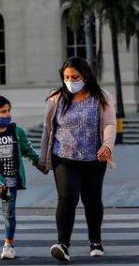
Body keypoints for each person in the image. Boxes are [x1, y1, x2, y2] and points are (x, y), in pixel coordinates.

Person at [39, 57, 116, 262]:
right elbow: (48, 129)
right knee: (67, 198)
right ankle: (63, 244)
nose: (70, 81)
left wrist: (107, 145)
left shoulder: (101, 97)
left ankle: (95, 241)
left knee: (92, 200)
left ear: (86, 76)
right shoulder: (56, 98)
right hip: (63, 158)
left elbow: (109, 124)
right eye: (66, 77)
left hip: (94, 158)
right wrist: (42, 158)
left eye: (75, 77)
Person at [0, 95, 45, 264]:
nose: (7, 115)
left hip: (11, 183)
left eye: (8, 111)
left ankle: (8, 246)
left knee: (9, 215)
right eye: (3, 112)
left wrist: (40, 164)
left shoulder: (16, 131)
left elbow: (28, 150)